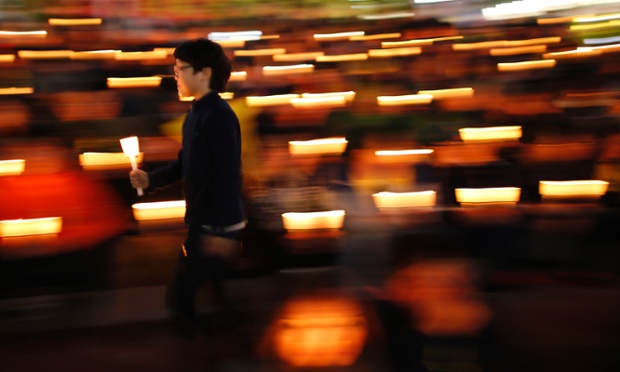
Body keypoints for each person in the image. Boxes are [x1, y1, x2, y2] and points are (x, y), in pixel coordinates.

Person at [128, 38, 245, 337]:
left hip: (213, 222)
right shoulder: (196, 115)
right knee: (212, 281)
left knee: (184, 289)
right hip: (206, 219)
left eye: (180, 68)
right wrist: (151, 180)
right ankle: (227, 333)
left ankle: (197, 339)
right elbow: (186, 163)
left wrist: (221, 228)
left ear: (204, 73)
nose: (175, 75)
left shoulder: (218, 116)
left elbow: (227, 174)